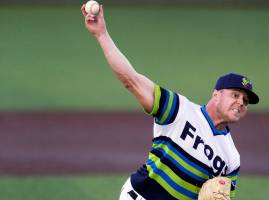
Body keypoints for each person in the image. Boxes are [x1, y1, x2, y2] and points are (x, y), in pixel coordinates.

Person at [81, 4, 259, 200]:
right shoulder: (179, 109)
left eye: (245, 100)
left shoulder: (231, 158)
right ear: (216, 94)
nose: (241, 102)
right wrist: (102, 34)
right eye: (235, 95)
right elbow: (131, 80)